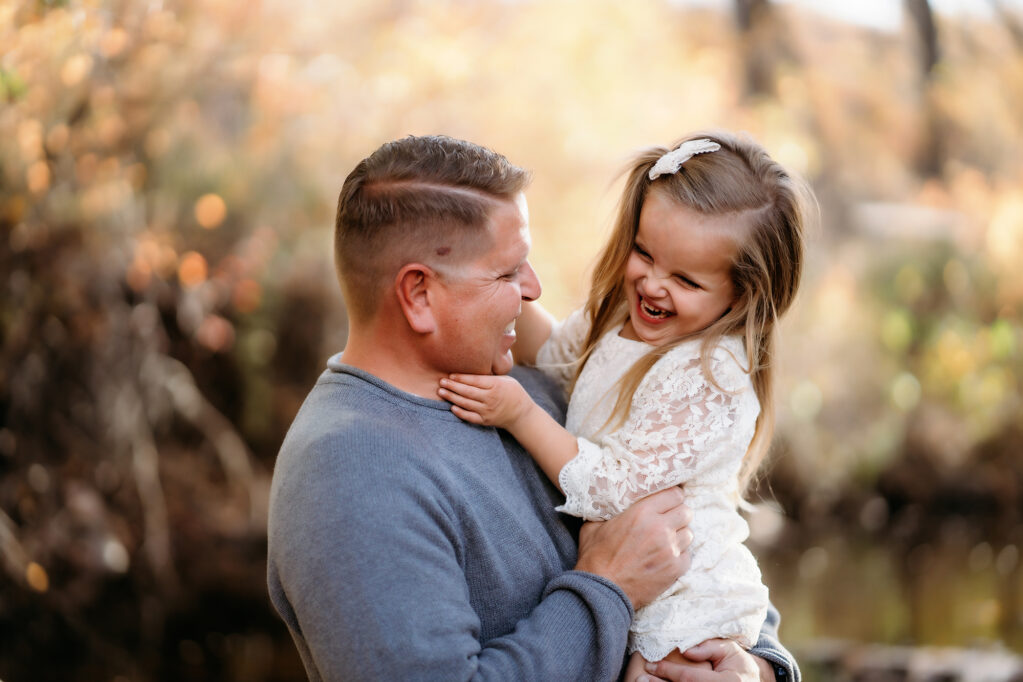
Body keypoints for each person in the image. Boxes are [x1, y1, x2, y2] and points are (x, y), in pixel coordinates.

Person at [266, 134, 801, 681]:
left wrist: (753, 667)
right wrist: (606, 589)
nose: (534, 288)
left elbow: (694, 540)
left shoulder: (532, 388)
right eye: (507, 272)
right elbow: (627, 564)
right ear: (419, 295)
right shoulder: (352, 472)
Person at [438, 132, 812, 682]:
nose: (652, 284)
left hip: (689, 608)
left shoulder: (710, 377)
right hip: (637, 588)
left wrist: (519, 414)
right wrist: (505, 271)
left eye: (685, 279)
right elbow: (552, 350)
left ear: (741, 295)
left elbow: (613, 490)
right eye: (644, 253)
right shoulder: (623, 316)